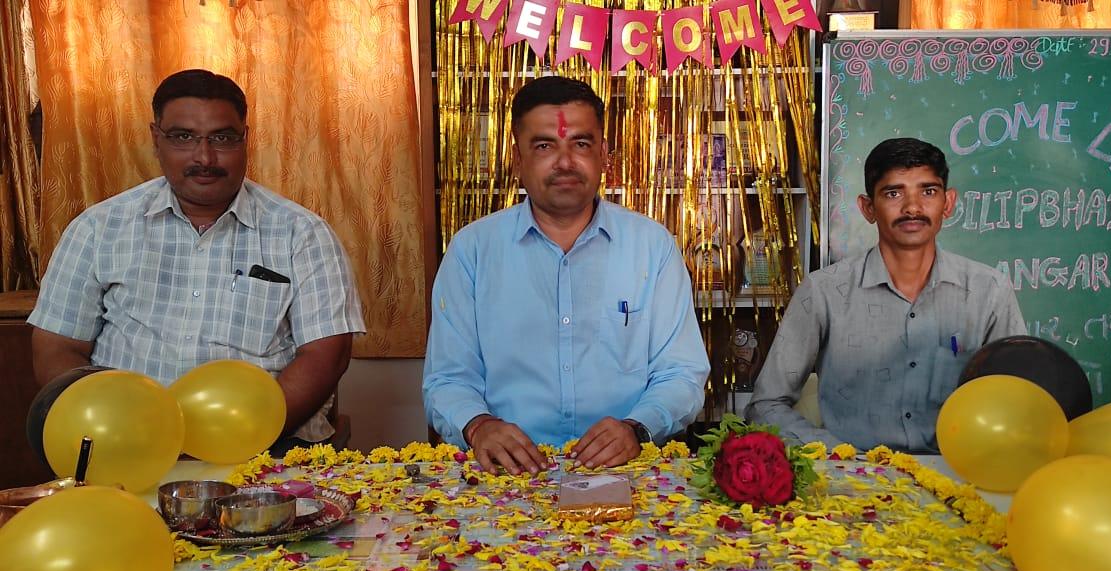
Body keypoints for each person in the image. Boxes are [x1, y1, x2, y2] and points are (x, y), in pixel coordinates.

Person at [28, 69, 365, 453]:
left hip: (263, 446)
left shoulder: (302, 234)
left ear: (245, 139)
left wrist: (249, 432)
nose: (204, 157)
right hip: (122, 444)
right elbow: (57, 348)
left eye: (222, 138)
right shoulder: (98, 228)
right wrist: (110, 422)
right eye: (183, 137)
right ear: (156, 138)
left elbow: (325, 355)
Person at [423, 75, 709, 474]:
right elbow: (448, 378)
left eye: (581, 144)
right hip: (506, 474)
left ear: (604, 155)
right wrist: (479, 425)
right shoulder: (473, 251)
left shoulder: (652, 247)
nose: (565, 162)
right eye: (544, 146)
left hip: (629, 470)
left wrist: (636, 428)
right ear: (517, 158)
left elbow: (681, 373)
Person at [746, 137, 1025, 452]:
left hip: (958, 471)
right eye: (894, 193)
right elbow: (766, 405)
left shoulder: (989, 290)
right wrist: (836, 454)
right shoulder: (824, 291)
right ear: (868, 208)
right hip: (853, 475)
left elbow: (1019, 401)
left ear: (948, 203)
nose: (912, 208)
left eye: (928, 191)